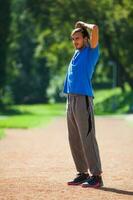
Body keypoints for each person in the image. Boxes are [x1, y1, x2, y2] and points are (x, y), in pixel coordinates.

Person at [63, 21, 103, 188]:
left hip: (83, 99)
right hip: (70, 99)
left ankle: (96, 176)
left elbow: (95, 29)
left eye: (77, 38)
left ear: (86, 39)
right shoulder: (77, 53)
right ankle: (82, 173)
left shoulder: (90, 52)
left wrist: (83, 24)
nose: (75, 41)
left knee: (87, 137)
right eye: (73, 39)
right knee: (74, 138)